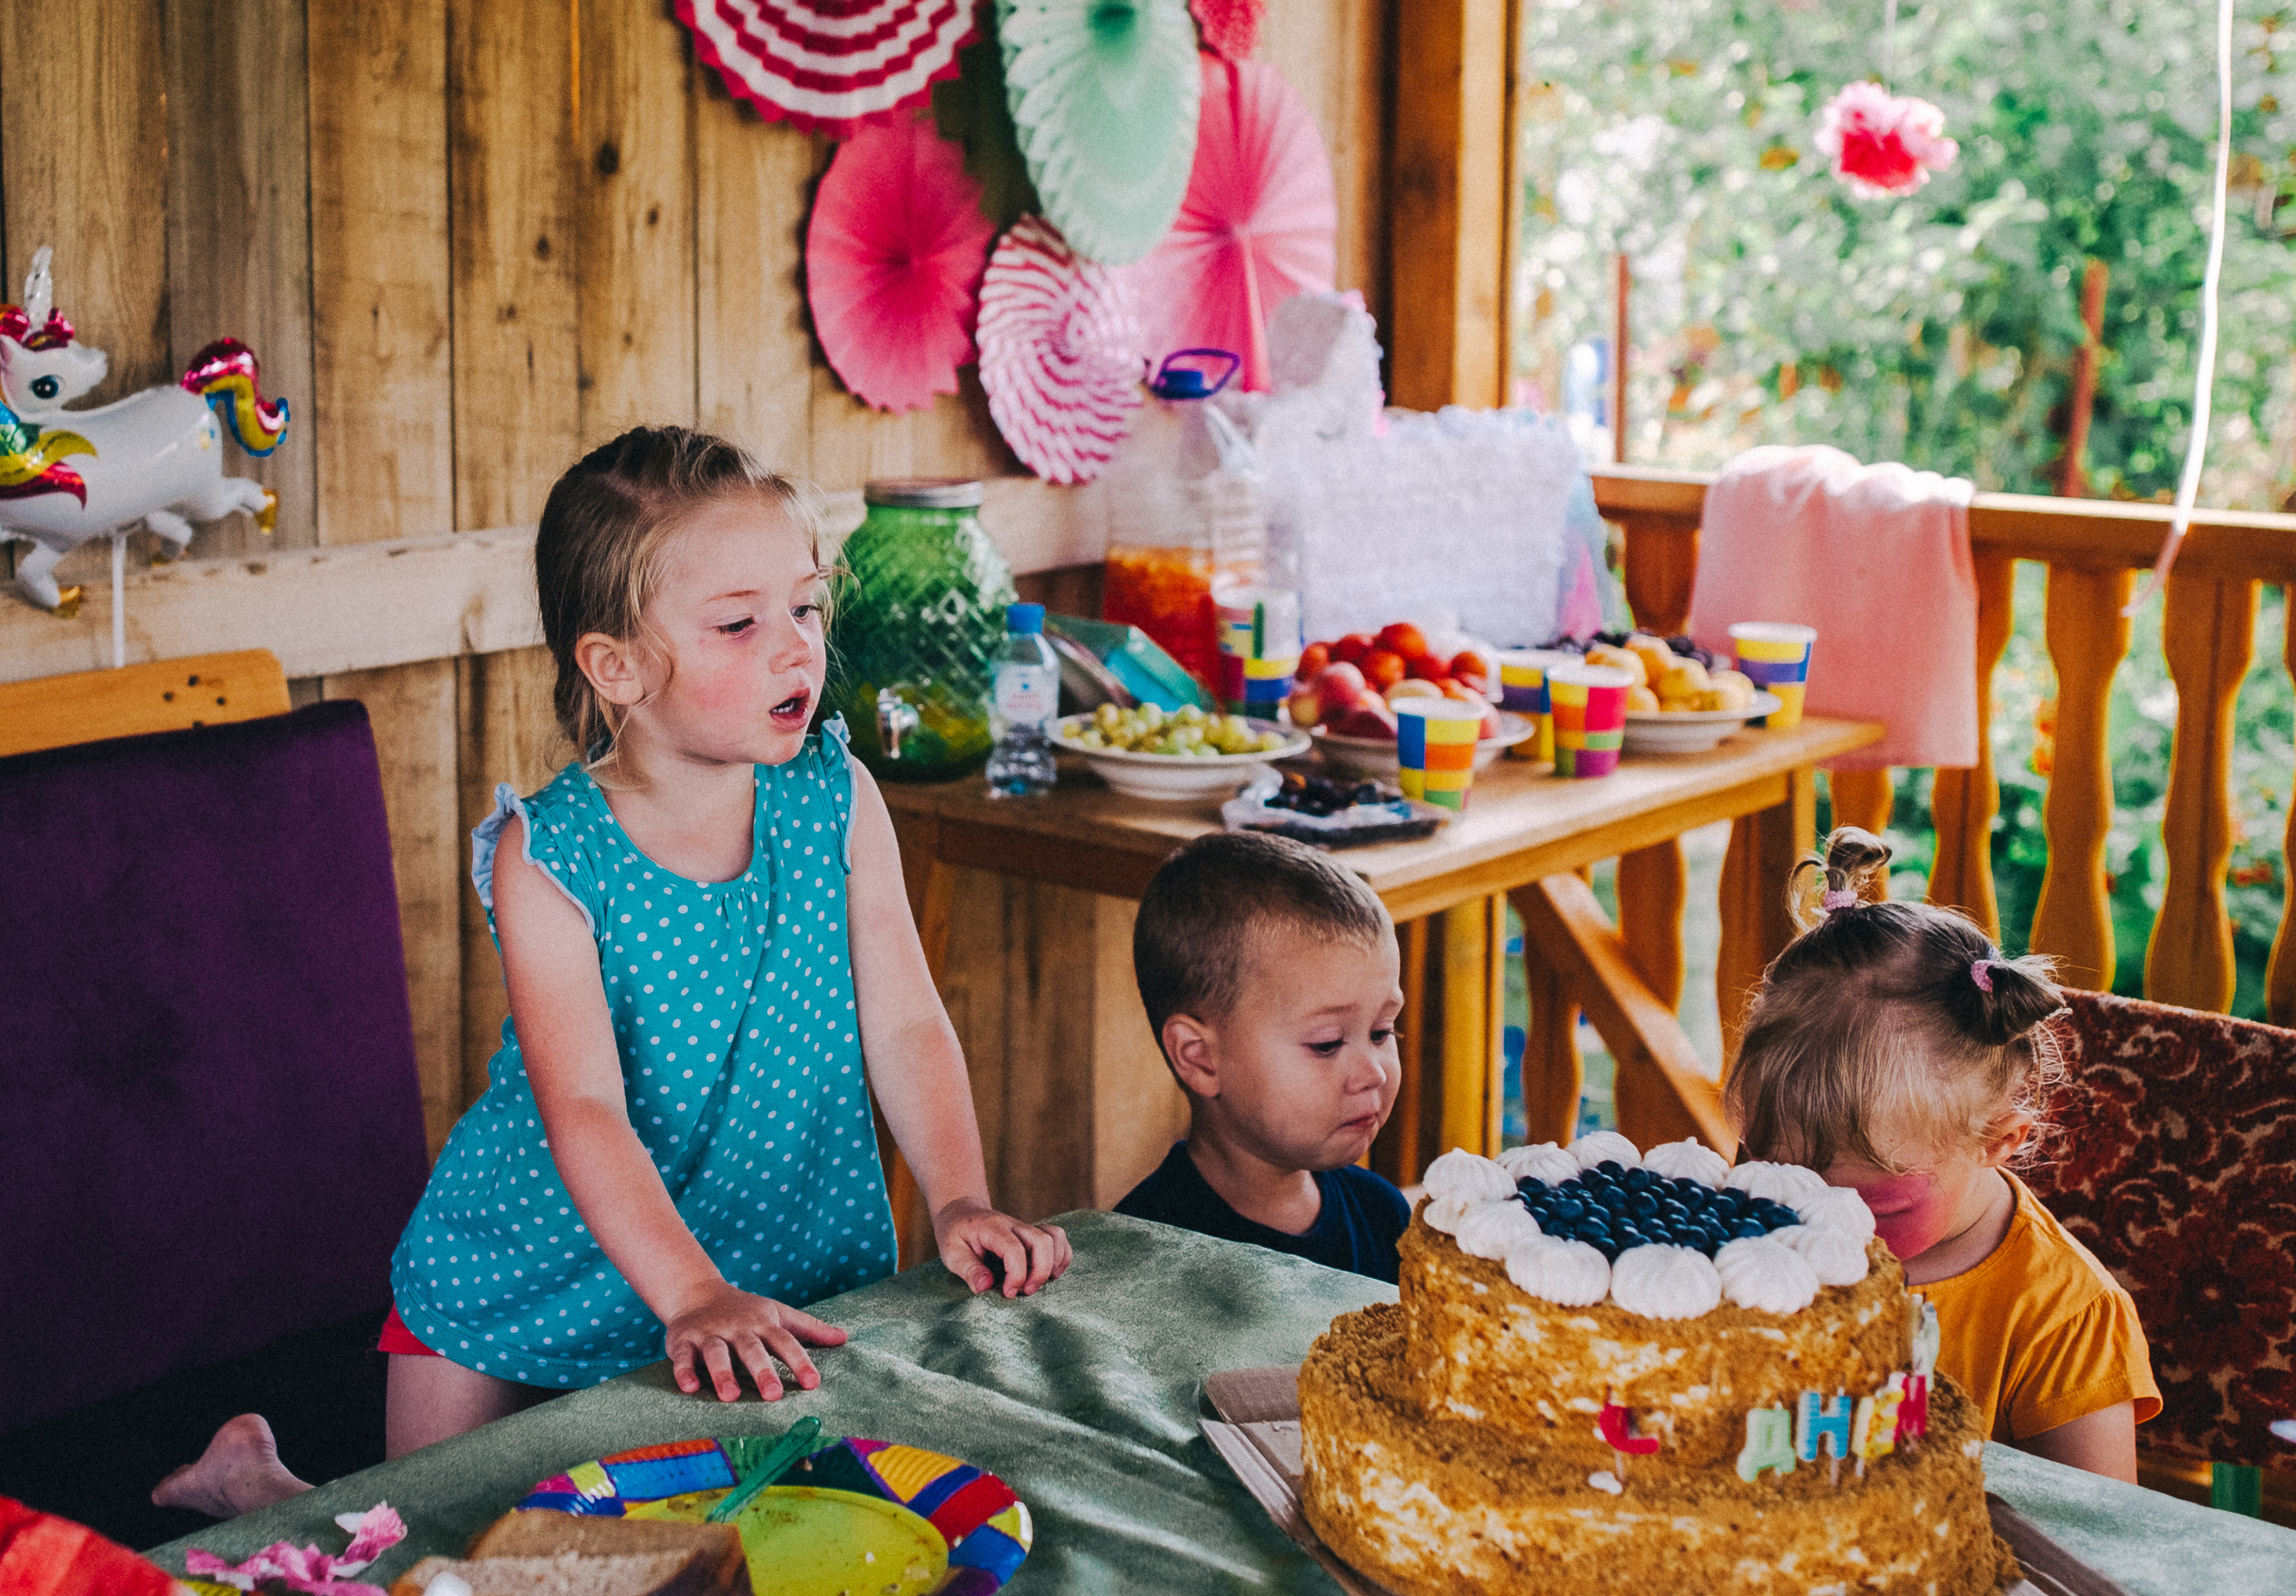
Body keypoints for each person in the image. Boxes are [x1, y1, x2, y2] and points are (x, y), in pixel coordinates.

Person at [156, 428, 1071, 1518]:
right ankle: (255, 1485)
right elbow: (583, 1107)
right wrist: (690, 1293)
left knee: (731, 1546)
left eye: (806, 606)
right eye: (738, 623)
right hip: (529, 1265)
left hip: (769, 1264)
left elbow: (907, 1024)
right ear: (618, 667)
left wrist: (960, 1197)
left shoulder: (838, 798)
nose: (794, 647)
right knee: (422, 1552)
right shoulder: (549, 856)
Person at [1726, 826, 2159, 1482]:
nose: (1820, 1222)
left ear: (1999, 1141)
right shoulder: (1743, 1229)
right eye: (1777, 1179)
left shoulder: (2061, 1314)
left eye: (1880, 1207)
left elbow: (2097, 1528)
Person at [1113, 832, 1410, 1283]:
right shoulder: (1140, 1256)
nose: (1373, 1074)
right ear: (1200, 1058)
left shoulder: (1382, 1215)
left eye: (1381, 1031)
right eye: (1327, 1043)